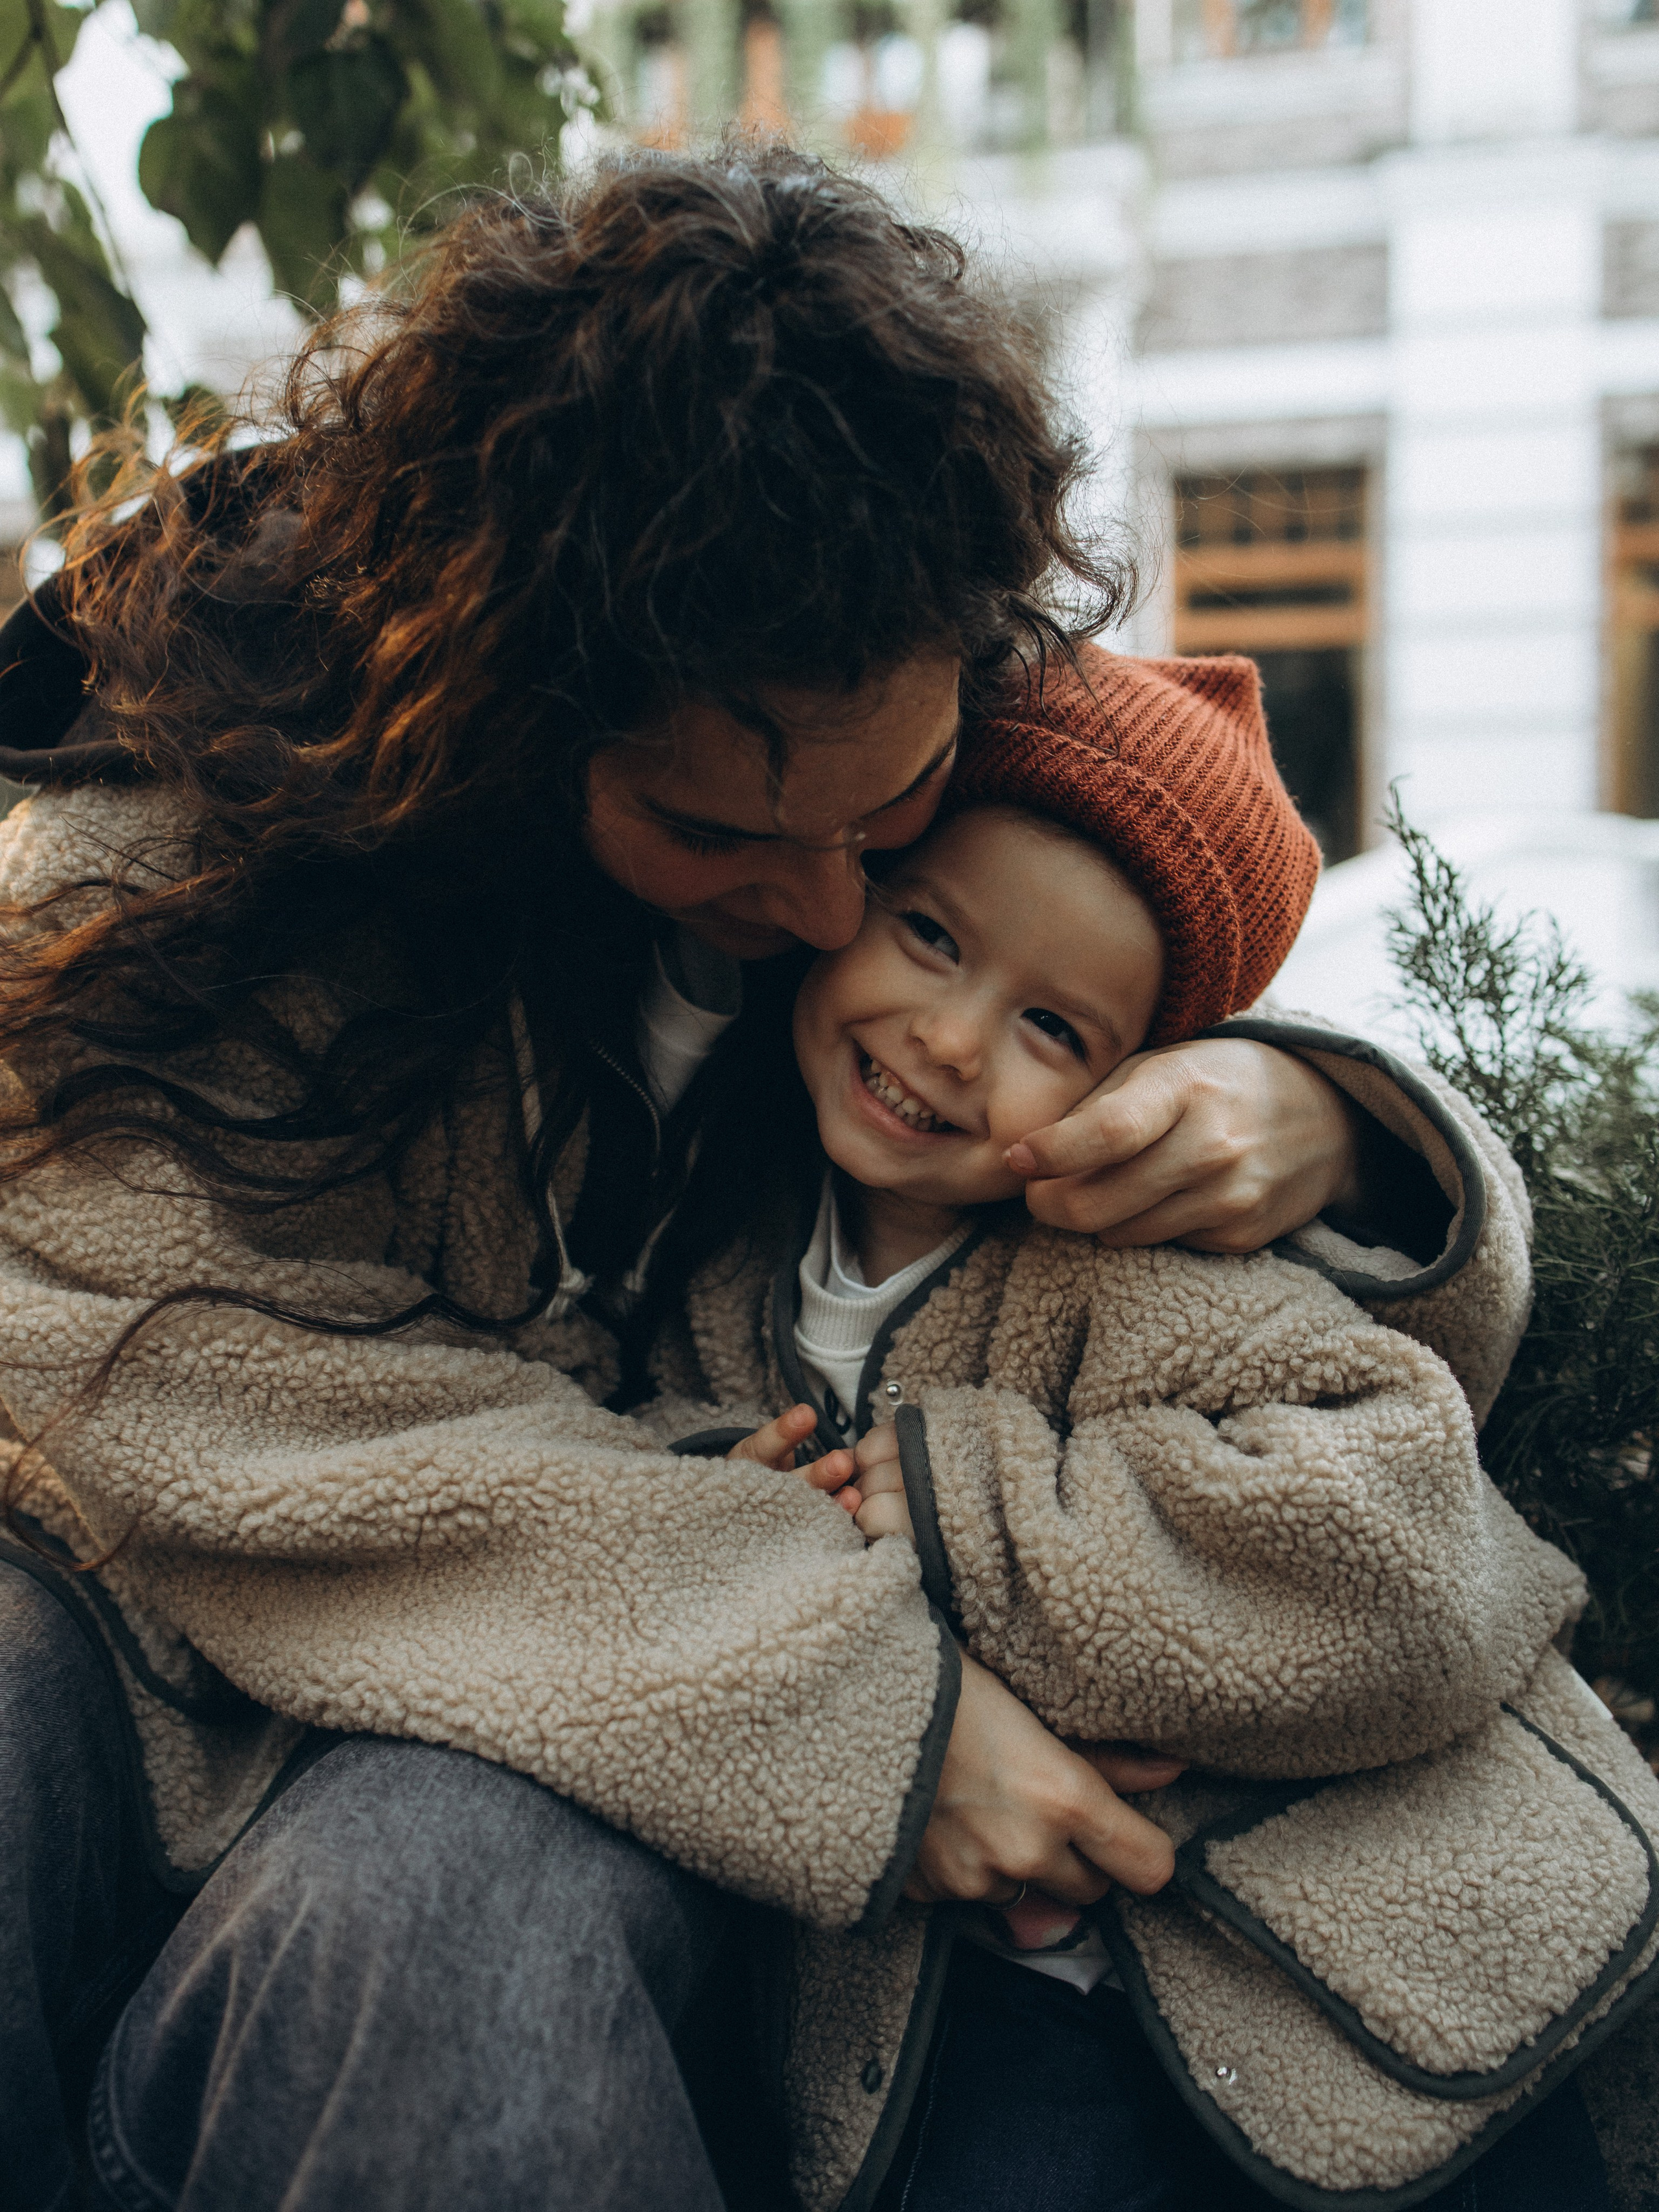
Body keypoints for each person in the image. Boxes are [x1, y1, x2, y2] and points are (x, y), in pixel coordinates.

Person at [0, 145, 1537, 2212]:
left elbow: (1125, 965)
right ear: (507, 730)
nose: (828, 904)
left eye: (891, 816)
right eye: (727, 835)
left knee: (444, 1898)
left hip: (555, 1723)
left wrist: (1338, 1121)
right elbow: (180, 1378)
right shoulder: (143, 860)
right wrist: (871, 1711)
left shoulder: (875, 774)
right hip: (199, 1622)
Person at [680, 646, 1655, 2211]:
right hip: (982, 2003)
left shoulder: (1135, 1278)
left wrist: (952, 1507)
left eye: (1053, 1030)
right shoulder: (714, 1253)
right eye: (928, 933)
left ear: (1150, 1082)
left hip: (1366, 1982)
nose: (946, 1040)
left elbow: (1394, 1567)